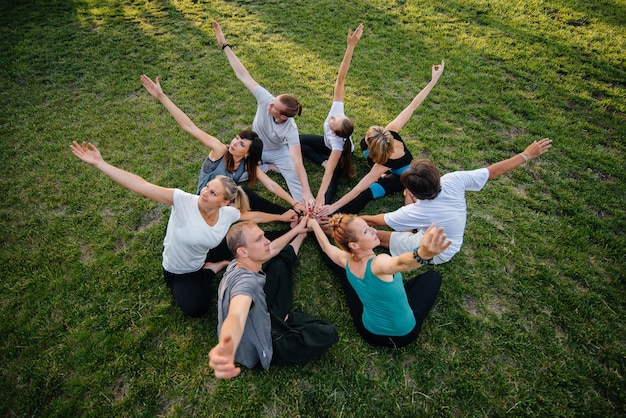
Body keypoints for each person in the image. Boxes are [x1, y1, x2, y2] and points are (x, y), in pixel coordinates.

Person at [70, 141, 296, 318]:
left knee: (253, 240)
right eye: (207, 187)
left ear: (225, 203)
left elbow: (252, 215)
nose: (204, 193)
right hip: (179, 271)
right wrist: (100, 163)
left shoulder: (227, 214)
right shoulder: (183, 201)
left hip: (204, 250)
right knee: (196, 308)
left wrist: (281, 217)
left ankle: (295, 232)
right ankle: (212, 269)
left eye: (213, 193)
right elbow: (142, 185)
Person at [361, 138, 553, 264]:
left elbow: (375, 220)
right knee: (405, 213)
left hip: (440, 249)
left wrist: (348, 219)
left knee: (377, 235)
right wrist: (527, 154)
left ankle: (405, 232)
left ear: (417, 193)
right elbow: (494, 171)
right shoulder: (453, 179)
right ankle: (409, 228)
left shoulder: (418, 212)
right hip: (437, 226)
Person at [140, 74, 305, 216]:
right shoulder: (220, 150)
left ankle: (288, 209)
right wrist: (161, 96)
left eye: (241, 144)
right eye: (236, 138)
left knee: (247, 198)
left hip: (224, 204)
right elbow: (190, 127)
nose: (233, 143)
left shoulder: (248, 165)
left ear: (248, 153)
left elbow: (270, 185)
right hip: (206, 203)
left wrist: (294, 202)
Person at [208, 218, 338, 378]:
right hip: (259, 342)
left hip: (259, 312)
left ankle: (278, 315)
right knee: (327, 333)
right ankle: (283, 319)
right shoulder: (246, 284)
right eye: (258, 239)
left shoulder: (238, 263)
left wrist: (298, 232)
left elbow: (274, 248)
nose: (267, 241)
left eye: (263, 236)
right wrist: (226, 346)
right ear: (243, 251)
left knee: (277, 264)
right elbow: (237, 313)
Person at [321, 60, 445, 216]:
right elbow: (413, 105)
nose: (365, 138)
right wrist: (433, 81)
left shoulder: (383, 164)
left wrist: (334, 207)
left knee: (366, 193)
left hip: (401, 178)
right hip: (385, 162)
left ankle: (333, 217)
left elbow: (359, 187)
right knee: (363, 146)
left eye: (368, 139)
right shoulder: (391, 131)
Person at [213, 21, 315, 208]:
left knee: (294, 174)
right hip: (252, 148)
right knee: (235, 173)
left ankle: (308, 210)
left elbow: (298, 161)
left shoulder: (290, 128)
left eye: (274, 106)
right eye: (273, 100)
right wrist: (224, 44)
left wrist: (307, 191)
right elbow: (243, 75)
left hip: (276, 152)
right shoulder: (265, 98)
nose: (270, 103)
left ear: (282, 116)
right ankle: (266, 168)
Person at [308, 215, 451, 348]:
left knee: (345, 278)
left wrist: (314, 224)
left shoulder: (346, 261)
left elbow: (327, 247)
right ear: (354, 245)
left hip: (369, 332)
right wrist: (421, 255)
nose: (373, 230)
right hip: (403, 336)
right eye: (366, 231)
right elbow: (401, 263)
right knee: (433, 277)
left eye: (368, 226)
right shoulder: (379, 263)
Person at [299, 24, 363, 207]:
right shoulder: (337, 113)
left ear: (334, 132)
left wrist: (319, 197)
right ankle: (322, 161)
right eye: (336, 117)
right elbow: (341, 79)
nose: (332, 118)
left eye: (333, 122)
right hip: (327, 147)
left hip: (338, 155)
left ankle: (321, 209)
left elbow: (327, 177)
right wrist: (350, 47)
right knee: (297, 141)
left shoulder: (337, 144)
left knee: (333, 176)